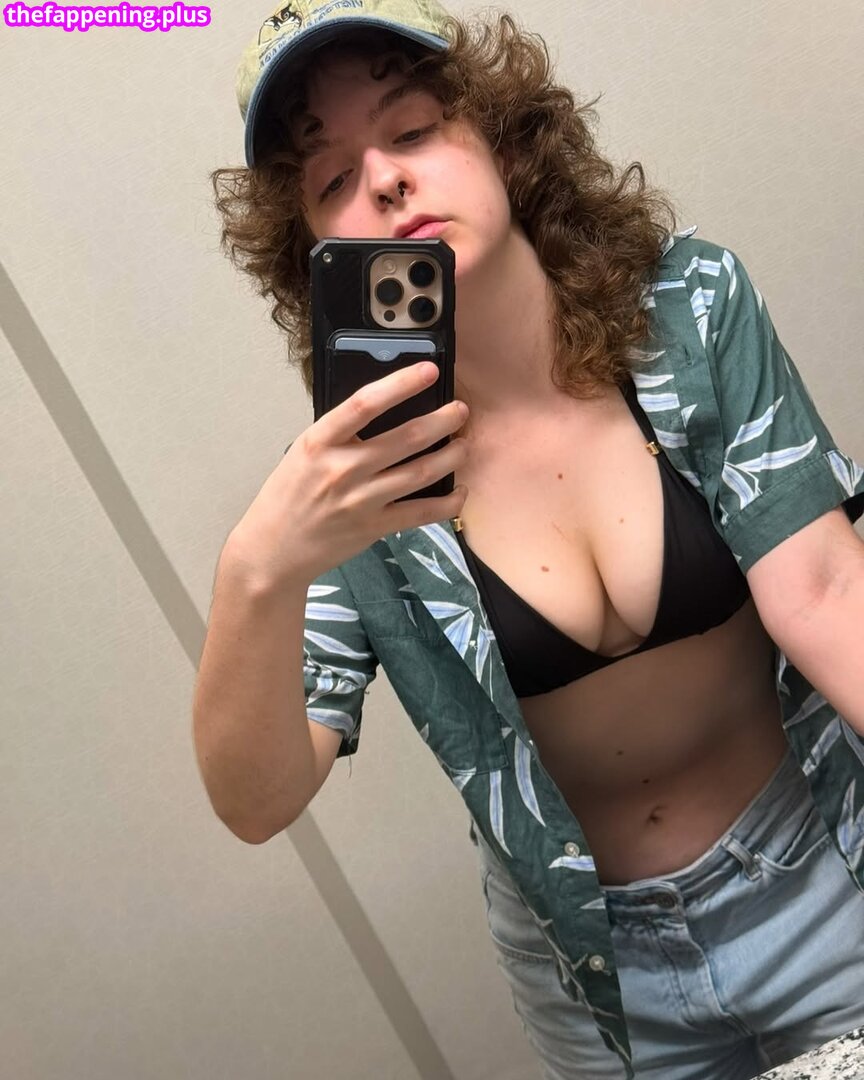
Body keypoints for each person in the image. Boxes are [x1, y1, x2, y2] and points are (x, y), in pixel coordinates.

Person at [193, 2, 864, 1077]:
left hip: (823, 879)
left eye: (413, 130)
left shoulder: (687, 312)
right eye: (332, 180)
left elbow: (826, 592)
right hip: (602, 986)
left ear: (501, 138)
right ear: (314, 252)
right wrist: (254, 569)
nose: (385, 180)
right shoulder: (351, 484)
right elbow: (258, 800)